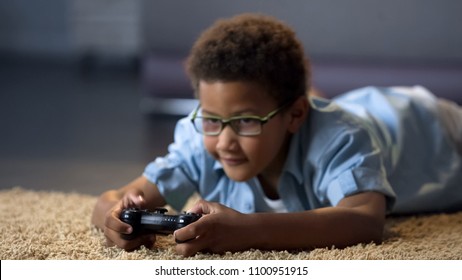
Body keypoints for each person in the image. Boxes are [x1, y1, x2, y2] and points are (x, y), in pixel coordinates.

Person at [91, 13, 462, 257]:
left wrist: (248, 230)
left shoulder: (341, 139)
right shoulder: (199, 139)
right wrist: (115, 217)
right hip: (340, 114)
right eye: (211, 120)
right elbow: (113, 199)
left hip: (426, 125)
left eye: (246, 121)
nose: (223, 142)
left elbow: (365, 219)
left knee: (336, 127)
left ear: (295, 115)